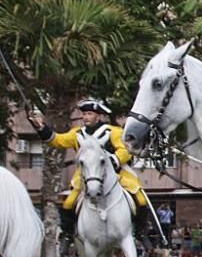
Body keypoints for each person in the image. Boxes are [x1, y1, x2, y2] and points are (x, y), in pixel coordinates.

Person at [29, 99, 152, 244]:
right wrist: (41, 128)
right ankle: (68, 235)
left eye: (89, 114)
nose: (85, 117)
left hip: (117, 175)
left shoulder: (113, 132)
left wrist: (114, 160)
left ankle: (141, 232)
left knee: (141, 199)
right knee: (68, 203)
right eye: (84, 114)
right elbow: (57, 140)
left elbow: (125, 150)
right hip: (86, 178)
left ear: (98, 116)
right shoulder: (77, 134)